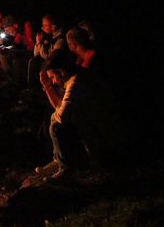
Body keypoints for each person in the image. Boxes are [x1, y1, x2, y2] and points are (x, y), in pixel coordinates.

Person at [35, 50, 126, 181]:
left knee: (56, 126)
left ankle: (68, 169)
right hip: (93, 124)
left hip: (105, 132)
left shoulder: (76, 83)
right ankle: (60, 161)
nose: (53, 82)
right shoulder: (74, 78)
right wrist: (48, 87)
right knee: (54, 117)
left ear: (61, 72)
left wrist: (51, 93)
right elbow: (60, 107)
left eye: (53, 77)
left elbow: (62, 116)